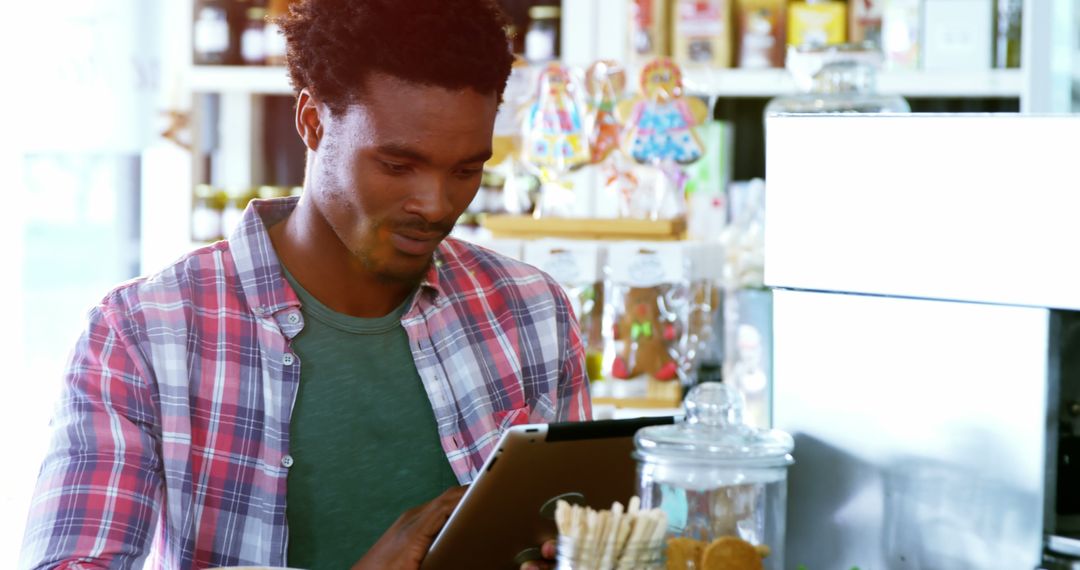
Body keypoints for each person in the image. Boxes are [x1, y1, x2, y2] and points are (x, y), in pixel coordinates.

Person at [20, 0, 591, 568]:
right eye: (396, 165)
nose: (435, 205)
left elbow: (580, 535)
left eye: (467, 170)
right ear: (312, 122)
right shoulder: (144, 332)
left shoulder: (532, 311)